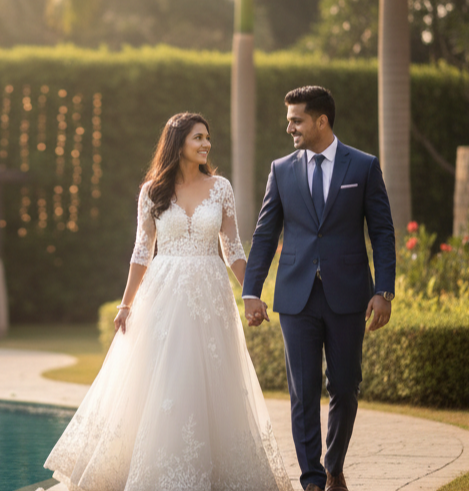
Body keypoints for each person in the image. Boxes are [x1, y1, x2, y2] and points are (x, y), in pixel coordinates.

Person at [43, 112, 294, 491]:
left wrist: (251, 293)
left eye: (207, 138)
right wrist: (125, 305)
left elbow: (233, 249)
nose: (206, 144)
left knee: (209, 378)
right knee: (163, 379)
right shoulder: (152, 192)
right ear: (178, 143)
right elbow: (141, 252)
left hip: (210, 296)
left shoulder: (221, 187)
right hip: (164, 295)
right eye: (198, 138)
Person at [242, 86, 395, 491]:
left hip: (348, 297)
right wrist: (251, 291)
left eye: (296, 119)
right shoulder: (282, 169)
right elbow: (263, 234)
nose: (289, 126)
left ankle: (334, 464)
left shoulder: (362, 167)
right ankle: (312, 480)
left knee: (345, 386)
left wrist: (384, 290)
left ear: (321, 121)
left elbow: (382, 232)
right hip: (296, 297)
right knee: (302, 393)